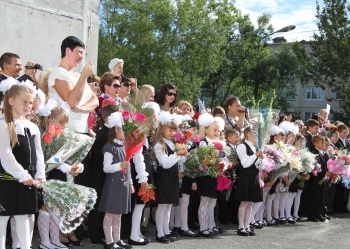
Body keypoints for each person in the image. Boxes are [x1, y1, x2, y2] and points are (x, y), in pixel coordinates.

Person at [0, 84, 45, 249]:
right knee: (2, 218)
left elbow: (38, 154)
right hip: (6, 180)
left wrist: (40, 175)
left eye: (31, 103)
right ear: (11, 101)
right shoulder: (3, 125)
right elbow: (6, 155)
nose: (29, 106)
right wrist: (23, 175)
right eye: (24, 102)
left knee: (23, 217)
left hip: (28, 180)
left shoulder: (32, 127)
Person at [37, 106, 83, 249]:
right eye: (61, 122)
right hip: (50, 175)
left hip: (62, 177)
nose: (63, 126)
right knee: (46, 207)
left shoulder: (61, 138)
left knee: (57, 209)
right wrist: (68, 168)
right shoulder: (45, 138)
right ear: (50, 120)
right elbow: (51, 160)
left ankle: (55, 240)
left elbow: (71, 157)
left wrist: (78, 166)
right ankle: (45, 241)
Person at [48, 36, 98, 134]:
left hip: (82, 131)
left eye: (83, 53)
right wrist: (83, 77)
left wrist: (82, 108)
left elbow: (95, 101)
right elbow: (72, 102)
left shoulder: (78, 75)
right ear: (68, 51)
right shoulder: (59, 72)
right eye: (79, 52)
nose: (82, 56)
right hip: (66, 131)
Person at [98, 111, 134, 249]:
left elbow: (128, 169)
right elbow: (106, 168)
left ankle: (117, 240)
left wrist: (130, 183)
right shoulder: (109, 148)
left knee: (118, 213)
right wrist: (120, 165)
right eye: (124, 130)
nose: (126, 133)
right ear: (117, 130)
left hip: (123, 184)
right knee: (110, 213)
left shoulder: (125, 147)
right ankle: (109, 241)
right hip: (113, 184)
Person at [153, 111, 187, 243]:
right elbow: (165, 163)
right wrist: (178, 154)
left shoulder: (172, 144)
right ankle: (160, 233)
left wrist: (183, 155)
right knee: (162, 206)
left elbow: (177, 161)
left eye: (174, 131)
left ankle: (166, 230)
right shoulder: (159, 145)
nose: (173, 133)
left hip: (172, 178)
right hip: (163, 179)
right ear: (162, 129)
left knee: (168, 206)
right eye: (170, 130)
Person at [88, 104, 119, 246]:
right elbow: (98, 156)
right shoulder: (103, 133)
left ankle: (102, 233)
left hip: (104, 174)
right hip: (99, 175)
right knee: (99, 205)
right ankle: (95, 235)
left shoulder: (109, 132)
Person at [196, 113, 225, 237]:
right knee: (204, 202)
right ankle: (203, 227)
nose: (217, 132)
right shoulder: (203, 143)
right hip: (205, 176)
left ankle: (210, 225)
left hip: (214, 176)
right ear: (206, 130)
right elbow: (204, 160)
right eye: (214, 130)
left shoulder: (217, 143)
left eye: (218, 130)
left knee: (212, 203)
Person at [234, 127, 263, 236]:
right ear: (249, 134)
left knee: (250, 202)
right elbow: (245, 163)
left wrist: (260, 159)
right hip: (245, 177)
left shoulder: (255, 147)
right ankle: (241, 227)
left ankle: (247, 225)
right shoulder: (242, 146)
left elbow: (258, 165)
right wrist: (256, 155)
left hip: (254, 177)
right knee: (244, 202)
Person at [307, 135, 329, 222]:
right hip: (315, 179)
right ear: (315, 143)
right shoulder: (314, 153)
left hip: (322, 178)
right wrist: (325, 173)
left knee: (320, 196)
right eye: (322, 142)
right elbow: (316, 167)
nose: (323, 144)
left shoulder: (321, 153)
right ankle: (311, 214)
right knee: (314, 196)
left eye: (324, 142)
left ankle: (319, 212)